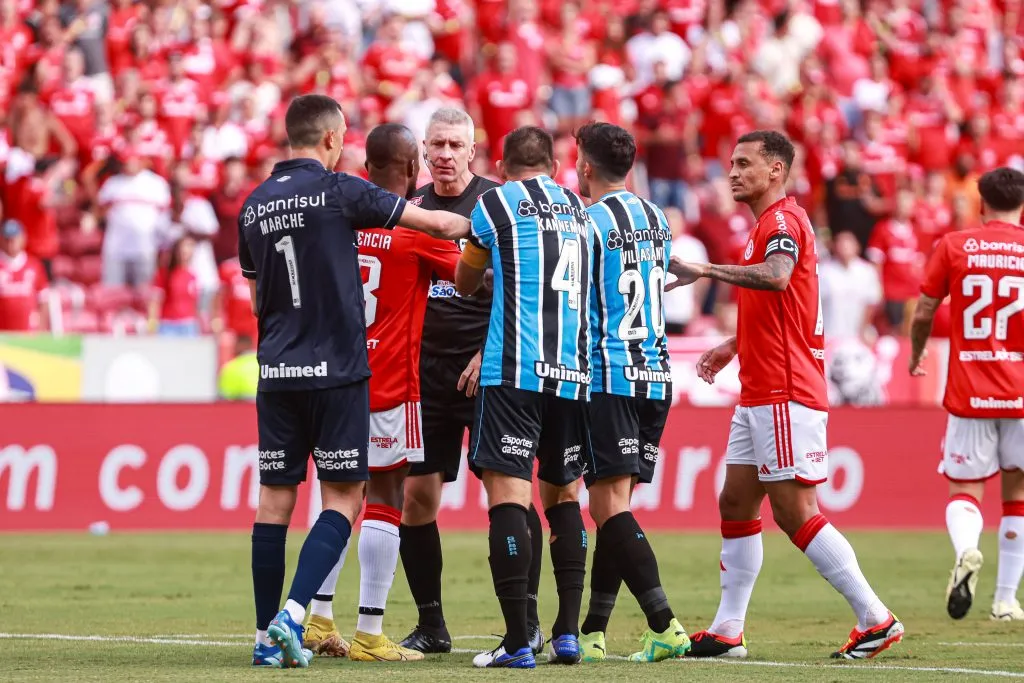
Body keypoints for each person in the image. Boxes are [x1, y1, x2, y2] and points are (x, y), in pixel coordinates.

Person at [239, 94, 469, 670]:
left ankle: (271, 633)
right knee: (349, 497)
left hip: (277, 371)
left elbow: (255, 299)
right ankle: (306, 614)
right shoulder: (343, 193)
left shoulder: (253, 206)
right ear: (334, 139)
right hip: (343, 375)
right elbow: (442, 228)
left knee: (274, 502)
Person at [668, 130, 903, 659]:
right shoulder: (769, 225)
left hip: (785, 388)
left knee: (795, 511)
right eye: (731, 162)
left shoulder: (782, 222)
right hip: (761, 386)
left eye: (745, 163)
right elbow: (787, 301)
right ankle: (729, 630)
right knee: (735, 500)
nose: (732, 172)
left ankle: (876, 618)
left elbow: (775, 278)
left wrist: (704, 269)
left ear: (776, 170)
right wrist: (734, 343)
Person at [300, 123, 463, 662]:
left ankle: (318, 619)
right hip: (390, 386)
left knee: (337, 500)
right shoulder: (415, 230)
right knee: (386, 500)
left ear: (365, 169)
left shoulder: (337, 223)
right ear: (414, 170)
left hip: (332, 380)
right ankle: (370, 632)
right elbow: (471, 280)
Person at [398, 107, 545, 657]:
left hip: (490, 367)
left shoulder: (497, 205)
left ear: (473, 152)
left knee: (508, 494)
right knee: (417, 499)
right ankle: (431, 624)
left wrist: (490, 350)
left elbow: (524, 289)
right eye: (435, 144)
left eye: (454, 144)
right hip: (427, 372)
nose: (443, 154)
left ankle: (525, 620)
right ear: (423, 150)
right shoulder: (410, 209)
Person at [455, 126, 593, 669]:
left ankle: (516, 642)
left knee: (509, 498)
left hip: (512, 369)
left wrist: (482, 268)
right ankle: (566, 634)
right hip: (572, 373)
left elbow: (466, 282)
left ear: (501, 164)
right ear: (556, 167)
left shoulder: (494, 203)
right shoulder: (581, 210)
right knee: (564, 500)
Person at [573, 122, 690, 663]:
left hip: (608, 374)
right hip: (657, 376)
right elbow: (665, 274)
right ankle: (594, 630)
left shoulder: (586, 223)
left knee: (607, 507)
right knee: (615, 508)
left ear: (586, 167)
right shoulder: (656, 218)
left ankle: (664, 624)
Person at [909, 167, 1024, 622]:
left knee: (965, 491)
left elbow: (923, 312)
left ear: (981, 203)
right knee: (1016, 496)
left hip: (970, 388)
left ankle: (968, 551)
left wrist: (916, 354)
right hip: (1022, 393)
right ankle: (1005, 600)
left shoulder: (956, 245)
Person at [219, 334, 258, 401]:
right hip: (265, 407)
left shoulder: (231, 367)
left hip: (241, 408)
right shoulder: (264, 363)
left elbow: (225, 397)